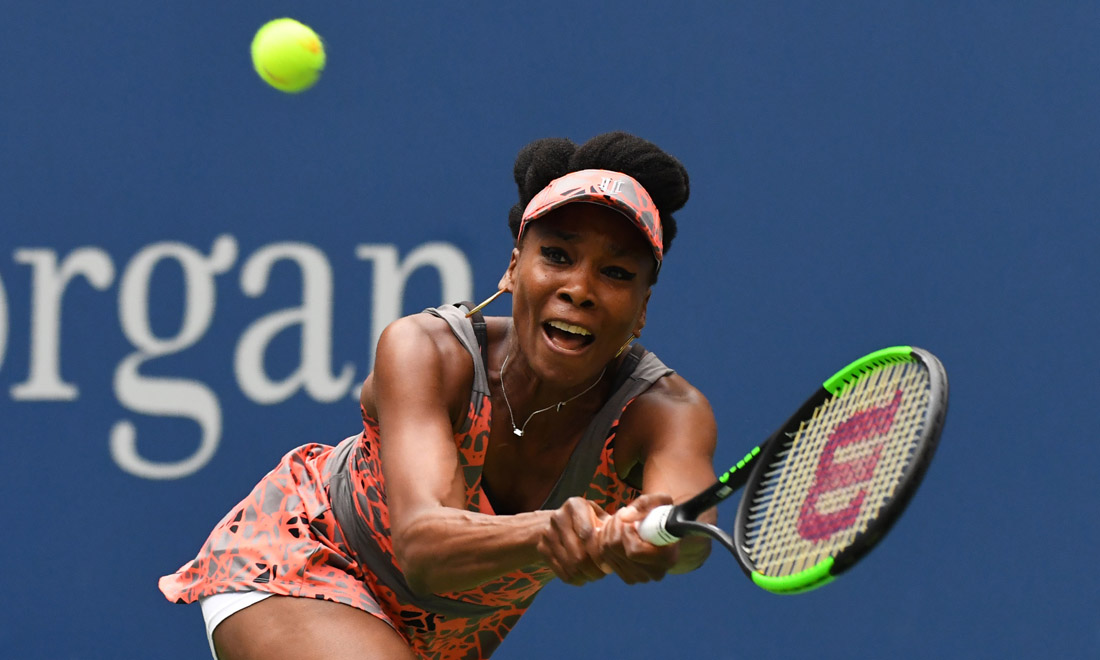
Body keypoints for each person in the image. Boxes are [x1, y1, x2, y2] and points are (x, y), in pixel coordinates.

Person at [159, 131, 719, 660]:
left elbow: (692, 533)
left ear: (643, 309)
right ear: (512, 268)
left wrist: (656, 533)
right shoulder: (425, 351)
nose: (580, 288)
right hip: (298, 559)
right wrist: (550, 530)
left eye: (617, 272)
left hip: (443, 638)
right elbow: (425, 547)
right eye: (557, 256)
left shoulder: (667, 413)